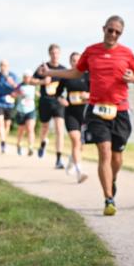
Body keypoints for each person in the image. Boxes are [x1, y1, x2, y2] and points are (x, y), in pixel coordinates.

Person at [43, 15, 134, 216]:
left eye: (117, 32)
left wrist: (133, 77)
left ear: (121, 34)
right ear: (103, 28)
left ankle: (112, 180)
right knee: (104, 151)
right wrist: (51, 72)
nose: (112, 34)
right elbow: (75, 73)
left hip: (120, 110)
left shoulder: (126, 53)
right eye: (110, 30)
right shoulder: (91, 51)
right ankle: (108, 199)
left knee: (117, 157)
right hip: (97, 109)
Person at [57, 51, 91, 184]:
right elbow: (57, 93)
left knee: (80, 144)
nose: (75, 62)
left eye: (78, 60)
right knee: (76, 141)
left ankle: (72, 161)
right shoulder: (66, 76)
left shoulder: (88, 75)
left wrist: (88, 96)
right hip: (71, 113)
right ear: (70, 62)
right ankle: (79, 172)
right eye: (73, 60)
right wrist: (61, 100)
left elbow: (95, 92)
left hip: (85, 113)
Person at [33, 44, 68, 168]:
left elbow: (69, 85)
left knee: (59, 130)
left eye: (57, 53)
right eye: (53, 53)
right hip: (45, 101)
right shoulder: (43, 68)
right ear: (49, 54)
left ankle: (58, 159)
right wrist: (42, 81)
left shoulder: (63, 70)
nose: (55, 55)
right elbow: (32, 81)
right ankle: (43, 143)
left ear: (60, 54)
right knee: (44, 128)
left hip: (58, 102)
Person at [13, 71, 38, 156]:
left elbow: (38, 94)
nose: (27, 78)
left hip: (31, 110)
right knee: (21, 130)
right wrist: (18, 94)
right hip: (21, 110)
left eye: (28, 77)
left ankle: (30, 147)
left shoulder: (34, 86)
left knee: (30, 128)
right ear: (23, 78)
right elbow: (13, 94)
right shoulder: (20, 86)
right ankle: (19, 144)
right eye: (25, 77)